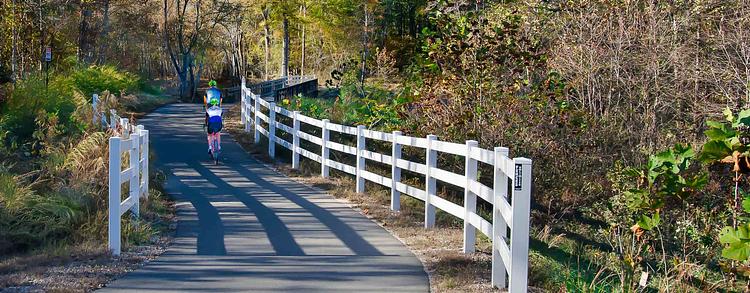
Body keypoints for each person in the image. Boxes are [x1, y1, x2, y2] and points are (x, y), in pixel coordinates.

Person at [204, 80, 223, 155]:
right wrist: (219, 105)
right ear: (215, 84)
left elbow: (205, 100)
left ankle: (210, 147)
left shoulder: (207, 91)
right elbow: (221, 100)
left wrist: (206, 106)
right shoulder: (219, 91)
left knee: (209, 132)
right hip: (218, 107)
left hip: (209, 106)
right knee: (218, 133)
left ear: (209, 85)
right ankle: (218, 146)